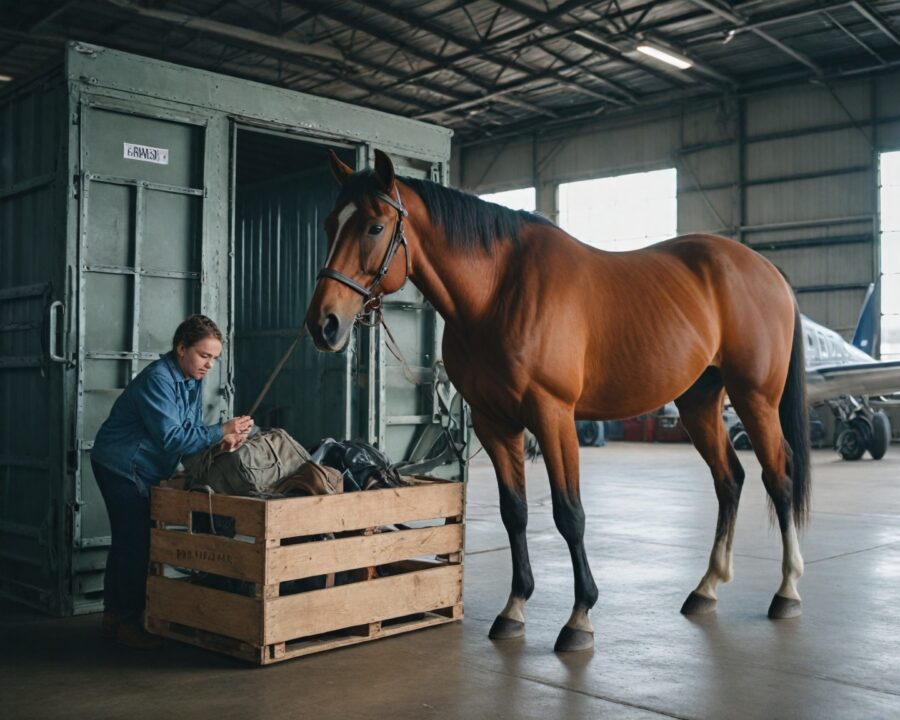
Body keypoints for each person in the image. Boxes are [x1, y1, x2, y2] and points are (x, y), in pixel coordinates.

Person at [90, 315, 253, 649]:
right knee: (136, 542)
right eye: (204, 355)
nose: (209, 365)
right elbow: (172, 438)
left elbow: (189, 431)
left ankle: (113, 618)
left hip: (143, 466)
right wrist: (221, 429)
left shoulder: (191, 378)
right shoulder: (158, 380)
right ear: (181, 348)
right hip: (122, 466)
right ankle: (127, 623)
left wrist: (222, 442)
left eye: (214, 358)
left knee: (127, 541)